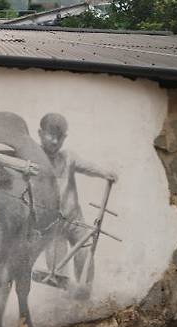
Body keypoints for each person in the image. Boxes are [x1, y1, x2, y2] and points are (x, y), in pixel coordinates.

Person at [38, 113, 117, 299]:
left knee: (85, 252)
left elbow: (87, 166)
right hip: (51, 223)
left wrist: (106, 173)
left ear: (65, 137)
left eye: (60, 137)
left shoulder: (68, 157)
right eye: (51, 135)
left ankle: (86, 292)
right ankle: (62, 301)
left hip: (74, 219)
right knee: (57, 271)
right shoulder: (34, 158)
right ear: (40, 134)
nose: (55, 141)